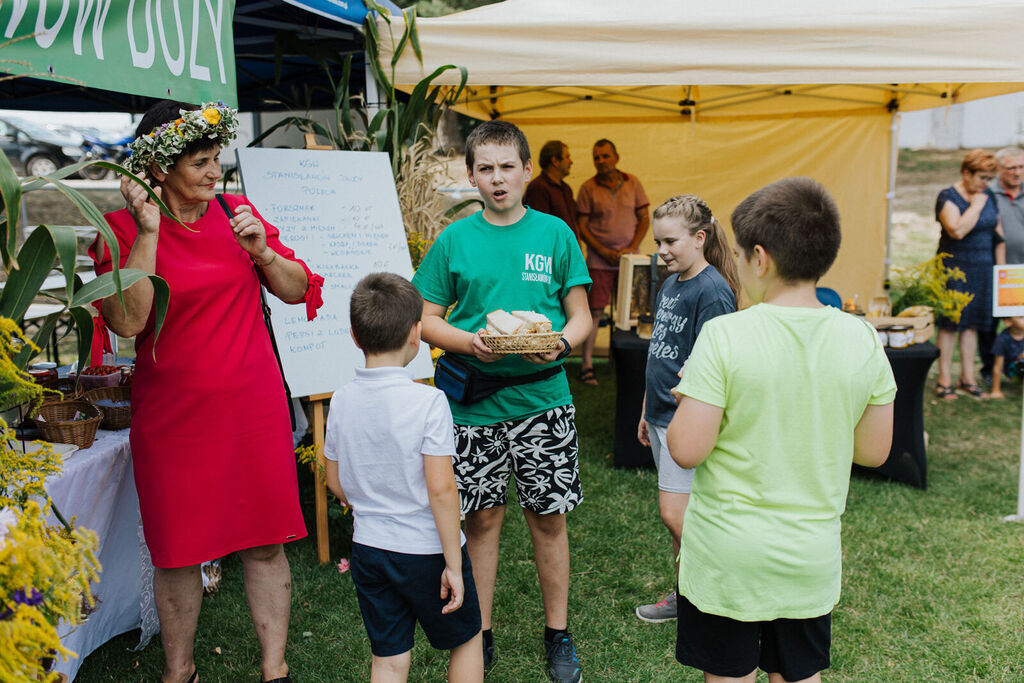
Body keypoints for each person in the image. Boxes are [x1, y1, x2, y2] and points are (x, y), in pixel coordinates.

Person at [90, 100, 323, 683]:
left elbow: (298, 290)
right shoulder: (120, 230)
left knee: (264, 543)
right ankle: (181, 672)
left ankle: (276, 669)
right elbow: (127, 322)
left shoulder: (237, 211)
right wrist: (147, 233)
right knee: (177, 551)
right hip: (174, 417)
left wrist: (263, 252)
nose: (216, 170)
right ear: (160, 169)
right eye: (201, 161)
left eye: (217, 157)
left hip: (252, 408)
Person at [667, 177, 896, 682]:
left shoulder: (725, 335)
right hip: (809, 557)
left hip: (728, 558)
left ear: (760, 258)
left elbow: (685, 449)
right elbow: (875, 451)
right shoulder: (862, 337)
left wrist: (690, 398)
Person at [412, 120, 592, 683]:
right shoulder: (456, 240)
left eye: (506, 167)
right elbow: (424, 320)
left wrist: (561, 342)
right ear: (470, 175)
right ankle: (480, 633)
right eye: (485, 169)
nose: (496, 179)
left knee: (548, 519)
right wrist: (470, 344)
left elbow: (582, 314)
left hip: (545, 400)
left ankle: (558, 634)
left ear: (526, 170)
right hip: (474, 405)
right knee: (482, 520)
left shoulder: (556, 234)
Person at [323, 273, 483, 682]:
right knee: (466, 640)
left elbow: (335, 481)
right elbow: (442, 488)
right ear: (417, 334)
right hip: (427, 551)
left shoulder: (340, 399)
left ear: (355, 337)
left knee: (389, 659)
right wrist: (452, 562)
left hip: (370, 551)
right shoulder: (428, 401)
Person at [634, 195, 739, 624]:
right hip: (659, 416)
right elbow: (660, 352)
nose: (661, 252)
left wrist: (685, 420)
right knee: (683, 515)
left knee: (675, 515)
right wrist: (645, 408)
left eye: (670, 242)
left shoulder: (713, 292)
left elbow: (715, 369)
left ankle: (715, 590)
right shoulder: (668, 285)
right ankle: (688, 595)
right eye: (658, 242)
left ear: (699, 238)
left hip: (685, 423)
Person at [576, 138, 650, 385]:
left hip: (630, 262)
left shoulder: (633, 182)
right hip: (599, 261)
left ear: (616, 157)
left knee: (630, 313)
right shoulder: (588, 188)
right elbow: (582, 227)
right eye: (596, 157)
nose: (601, 161)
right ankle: (587, 364)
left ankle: (626, 361)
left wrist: (631, 247)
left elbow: (644, 218)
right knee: (594, 312)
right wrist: (601, 250)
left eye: (605, 156)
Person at [934, 149, 1005, 399]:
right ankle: (944, 380)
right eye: (982, 177)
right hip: (955, 269)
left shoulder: (988, 196)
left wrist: (1001, 271)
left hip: (983, 268)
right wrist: (975, 205)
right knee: (950, 324)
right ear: (966, 173)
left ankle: (967, 377)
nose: (986, 184)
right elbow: (956, 230)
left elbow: (998, 234)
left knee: (972, 325)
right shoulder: (948, 197)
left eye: (989, 179)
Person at [981, 148, 1024, 383]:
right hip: (997, 269)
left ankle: (1017, 367)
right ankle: (989, 368)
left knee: (1021, 324)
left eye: (1021, 167)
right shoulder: (990, 193)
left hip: (1022, 269)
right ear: (999, 170)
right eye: (1012, 168)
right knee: (990, 323)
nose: (1018, 173)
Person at [524, 140, 578, 238]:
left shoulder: (566, 189)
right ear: (555, 161)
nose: (571, 162)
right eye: (567, 157)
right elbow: (539, 228)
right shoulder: (538, 188)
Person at [983, 316, 1024, 399]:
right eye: (1021, 317)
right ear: (1008, 321)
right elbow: (997, 367)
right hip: (1012, 370)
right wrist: (996, 390)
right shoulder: (1002, 339)